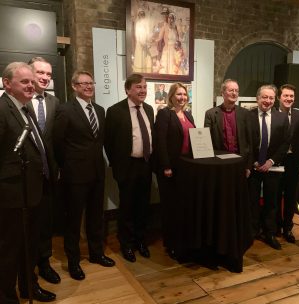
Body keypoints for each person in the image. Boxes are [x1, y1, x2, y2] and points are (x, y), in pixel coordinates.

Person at [0, 62, 56, 304]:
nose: (31, 85)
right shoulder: (2, 110)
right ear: (6, 83)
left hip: (33, 191)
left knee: (29, 247)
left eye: (31, 81)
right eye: (24, 82)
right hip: (11, 195)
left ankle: (29, 287)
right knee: (10, 251)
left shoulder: (25, 109)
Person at [53, 71, 115, 281]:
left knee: (96, 215)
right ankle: (73, 261)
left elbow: (100, 141)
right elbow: (58, 142)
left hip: (98, 171)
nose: (88, 86)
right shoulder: (65, 110)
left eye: (91, 83)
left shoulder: (99, 110)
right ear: (74, 86)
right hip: (75, 174)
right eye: (84, 83)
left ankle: (97, 253)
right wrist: (66, 166)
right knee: (74, 219)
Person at [104, 74, 154, 263]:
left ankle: (141, 242)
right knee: (126, 208)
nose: (143, 90)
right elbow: (108, 142)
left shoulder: (149, 109)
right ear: (127, 90)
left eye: (144, 87)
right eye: (138, 87)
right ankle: (126, 244)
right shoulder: (115, 111)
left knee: (143, 206)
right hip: (127, 167)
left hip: (146, 165)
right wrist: (117, 166)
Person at [27, 56, 61, 284]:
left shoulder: (54, 102)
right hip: (26, 176)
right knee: (29, 225)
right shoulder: (18, 101)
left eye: (48, 74)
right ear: (29, 73)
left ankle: (45, 262)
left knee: (46, 222)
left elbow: (55, 139)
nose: (45, 78)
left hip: (49, 174)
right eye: (40, 73)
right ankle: (27, 270)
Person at [154, 83, 195, 257]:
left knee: (182, 206)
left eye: (184, 94)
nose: (182, 98)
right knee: (170, 207)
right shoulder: (164, 114)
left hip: (186, 167)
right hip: (170, 169)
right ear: (171, 96)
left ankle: (183, 240)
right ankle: (170, 242)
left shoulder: (188, 114)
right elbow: (160, 142)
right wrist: (166, 166)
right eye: (179, 94)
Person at [249, 84, 289, 250]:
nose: (267, 101)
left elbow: (285, 143)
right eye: (264, 97)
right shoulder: (248, 115)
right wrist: (254, 161)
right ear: (258, 98)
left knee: (272, 202)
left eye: (271, 98)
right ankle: (251, 232)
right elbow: (245, 141)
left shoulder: (282, 117)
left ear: (275, 99)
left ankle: (269, 233)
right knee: (251, 201)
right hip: (253, 167)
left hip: (273, 167)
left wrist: (271, 161)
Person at [204, 79, 252, 177]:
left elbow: (249, 141)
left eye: (236, 91)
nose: (234, 93)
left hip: (240, 162)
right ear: (223, 93)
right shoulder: (211, 114)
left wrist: (248, 166)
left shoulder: (245, 113)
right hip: (219, 163)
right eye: (231, 90)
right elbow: (207, 140)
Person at [276, 84, 299, 243]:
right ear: (279, 97)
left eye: (291, 96)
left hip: (293, 162)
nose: (289, 99)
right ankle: (275, 227)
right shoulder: (272, 114)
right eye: (286, 96)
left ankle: (288, 228)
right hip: (275, 161)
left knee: (290, 196)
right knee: (274, 195)